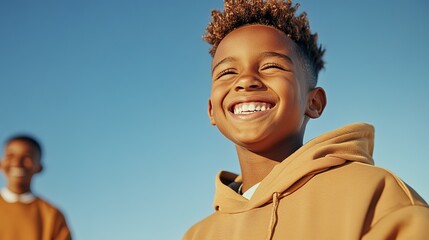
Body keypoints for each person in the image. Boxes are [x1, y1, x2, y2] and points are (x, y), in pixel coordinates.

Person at [183, 0, 429, 239]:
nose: (246, 80)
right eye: (227, 72)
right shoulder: (198, 235)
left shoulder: (375, 195)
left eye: (271, 66)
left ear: (314, 102)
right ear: (212, 110)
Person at [0, 135, 72, 240]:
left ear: (39, 167)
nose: (17, 163)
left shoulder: (52, 215)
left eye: (27, 158)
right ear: (1, 164)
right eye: (10, 156)